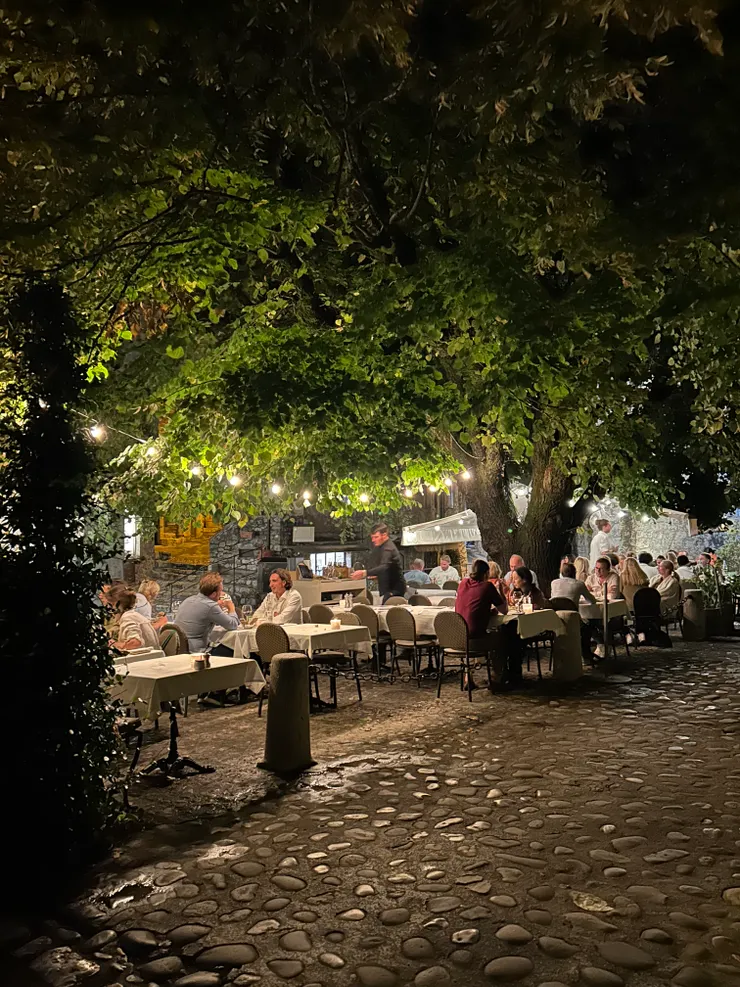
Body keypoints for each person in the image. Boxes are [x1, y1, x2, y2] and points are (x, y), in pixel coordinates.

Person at [175, 572, 240, 652]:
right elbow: (233, 625)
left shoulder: (188, 600)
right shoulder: (211, 606)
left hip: (179, 648)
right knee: (236, 649)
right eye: (220, 591)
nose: (222, 594)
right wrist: (231, 608)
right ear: (213, 594)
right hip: (197, 651)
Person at [351, 523, 406, 602]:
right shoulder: (382, 547)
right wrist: (376, 574)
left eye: (376, 537)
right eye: (372, 538)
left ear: (384, 535)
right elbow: (388, 568)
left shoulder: (388, 548)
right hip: (388, 588)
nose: (373, 540)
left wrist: (364, 573)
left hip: (395, 589)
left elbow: (384, 566)